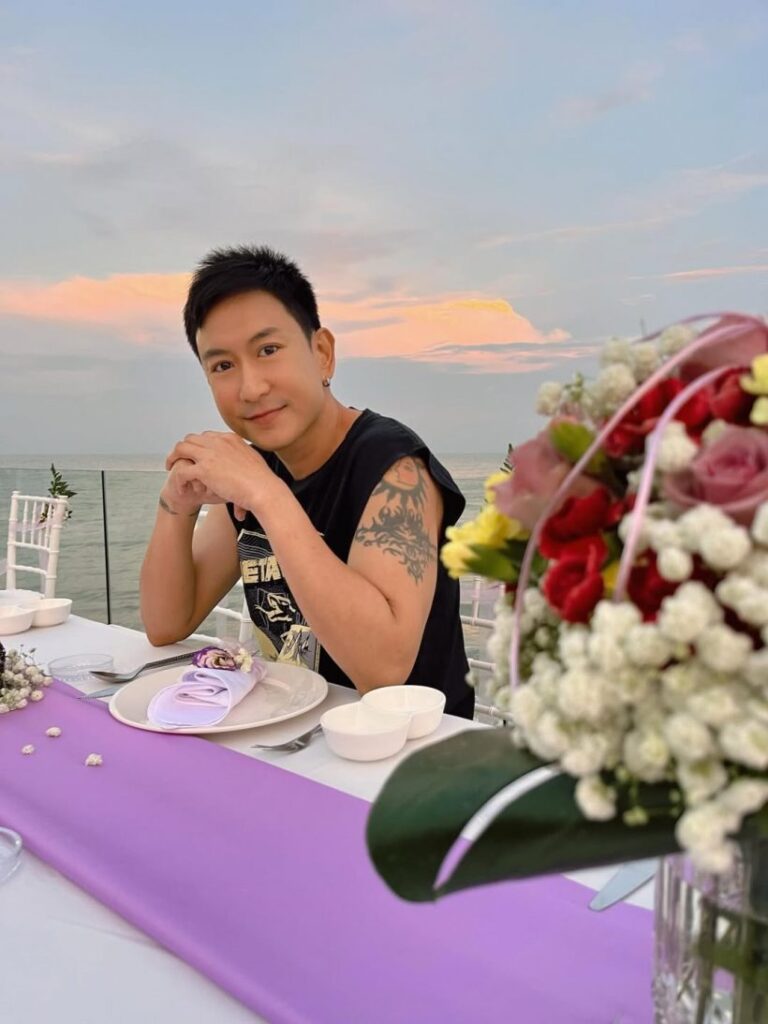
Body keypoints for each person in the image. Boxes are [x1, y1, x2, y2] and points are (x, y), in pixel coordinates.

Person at [140, 246, 473, 717]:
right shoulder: (259, 467)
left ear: (322, 354)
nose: (251, 388)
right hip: (292, 731)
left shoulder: (393, 466)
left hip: (412, 742)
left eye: (268, 350)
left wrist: (267, 495)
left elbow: (383, 671)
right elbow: (166, 624)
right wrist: (176, 506)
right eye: (223, 366)